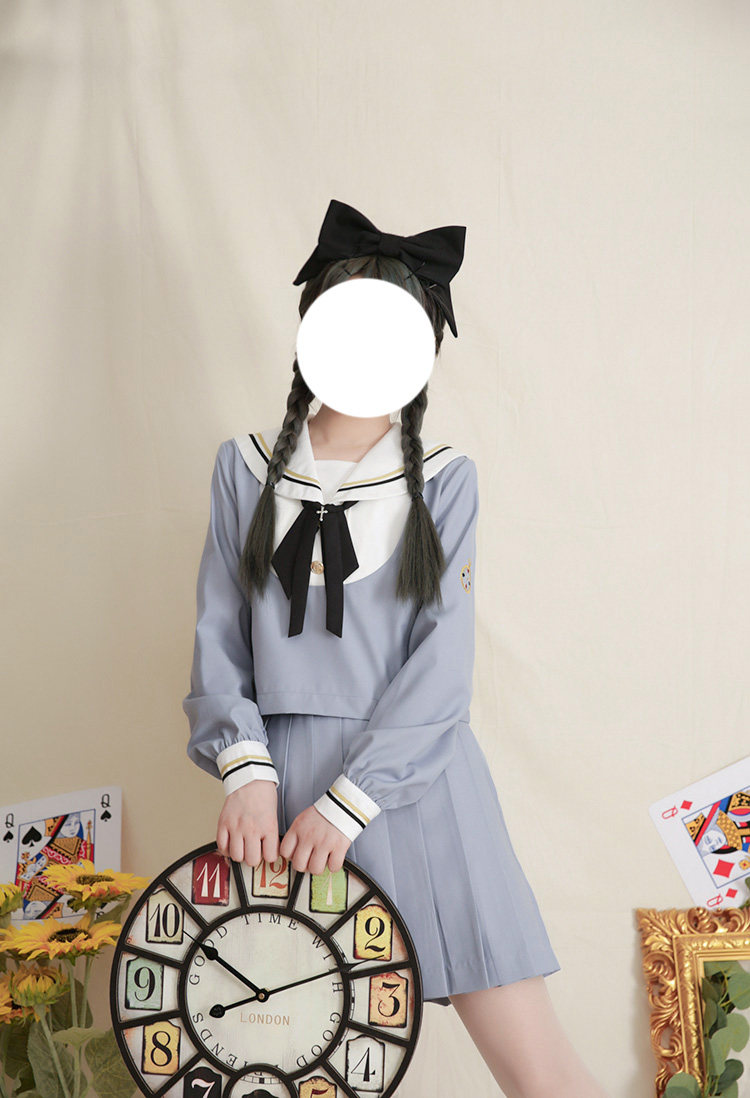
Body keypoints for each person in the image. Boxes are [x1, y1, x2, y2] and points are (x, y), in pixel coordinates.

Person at [182, 200, 609, 1098]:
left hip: (416, 790)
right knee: (280, 1063)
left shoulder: (444, 480)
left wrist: (352, 802)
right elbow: (218, 634)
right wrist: (243, 770)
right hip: (273, 793)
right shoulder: (244, 469)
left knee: (541, 1073)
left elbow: (442, 664)